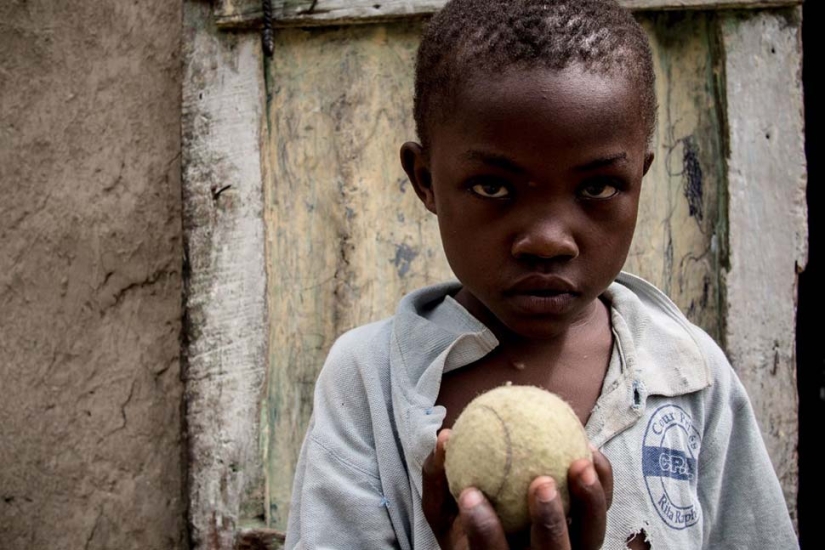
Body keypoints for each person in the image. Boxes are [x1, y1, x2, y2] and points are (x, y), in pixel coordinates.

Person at [283, 0, 799, 548]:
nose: (548, 240)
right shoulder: (367, 380)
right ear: (425, 178)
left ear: (640, 180)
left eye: (598, 187)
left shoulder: (690, 375)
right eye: (493, 187)